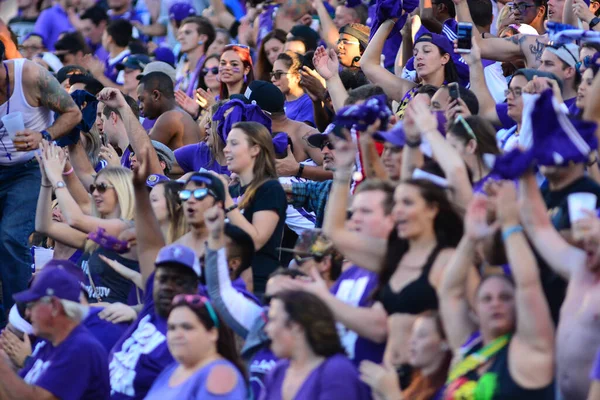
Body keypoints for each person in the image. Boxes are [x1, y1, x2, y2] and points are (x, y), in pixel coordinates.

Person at [323, 133, 476, 375]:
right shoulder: (395, 255)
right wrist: (342, 172)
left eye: (407, 204)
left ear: (433, 209)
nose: (398, 212)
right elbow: (334, 232)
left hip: (429, 380)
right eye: (397, 205)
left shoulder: (450, 259)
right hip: (389, 381)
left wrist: (425, 128)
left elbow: (457, 173)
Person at [441, 186, 555, 399]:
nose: (495, 304)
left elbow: (528, 283)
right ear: (475, 311)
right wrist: (470, 238)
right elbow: (450, 292)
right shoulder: (468, 347)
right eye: (486, 299)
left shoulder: (530, 349)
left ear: (518, 305)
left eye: (505, 297)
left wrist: (511, 226)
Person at [0, 41, 81, 324]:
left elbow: (74, 113)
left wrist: (43, 136)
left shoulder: (30, 77)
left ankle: (18, 320)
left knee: (10, 236)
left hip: (30, 168)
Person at [39, 142, 139, 304]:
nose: (95, 193)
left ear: (122, 189)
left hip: (111, 323)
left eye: (102, 187)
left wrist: (56, 177)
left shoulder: (128, 229)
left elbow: (75, 219)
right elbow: (44, 226)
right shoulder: (96, 239)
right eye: (94, 188)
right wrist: (46, 182)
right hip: (88, 318)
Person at [4, 266, 110, 399]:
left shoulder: (81, 349)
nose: (27, 313)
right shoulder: (49, 343)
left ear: (54, 306)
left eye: (31, 306)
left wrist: (2, 368)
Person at [219, 121, 287, 296]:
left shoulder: (270, 189)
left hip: (258, 286)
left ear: (255, 149)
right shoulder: (233, 191)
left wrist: (225, 199)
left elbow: (255, 241)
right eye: (226, 143)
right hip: (227, 281)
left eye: (234, 143)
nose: (226, 149)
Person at [261, 290, 368, 399]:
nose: (266, 329)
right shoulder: (278, 371)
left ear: (297, 327)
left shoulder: (338, 371)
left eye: (273, 320)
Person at [144, 295, 247, 399]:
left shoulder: (221, 375)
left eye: (187, 327)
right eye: (172, 328)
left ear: (212, 333)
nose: (177, 335)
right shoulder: (172, 369)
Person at [361, 21, 460, 116]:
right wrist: (390, 21)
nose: (418, 57)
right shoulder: (408, 90)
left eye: (426, 51)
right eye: (415, 53)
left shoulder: (454, 95)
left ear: (444, 58)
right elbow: (368, 64)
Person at [359, 312, 452, 400]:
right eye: (413, 334)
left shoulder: (447, 390)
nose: (412, 341)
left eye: (421, 335)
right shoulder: (414, 383)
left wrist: (392, 394)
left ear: (444, 344)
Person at [137, 71, 202, 150]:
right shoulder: (177, 114)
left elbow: (142, 152)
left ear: (156, 95)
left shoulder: (170, 117)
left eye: (142, 100)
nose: (140, 106)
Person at [175, 16, 216, 98]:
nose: (180, 38)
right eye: (180, 33)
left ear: (202, 38)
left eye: (187, 33)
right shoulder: (182, 66)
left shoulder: (210, 70)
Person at [272, 51, 315, 126]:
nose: (273, 79)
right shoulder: (280, 104)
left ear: (297, 77)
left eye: (278, 74)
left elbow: (301, 133)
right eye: (272, 74)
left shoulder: (308, 102)